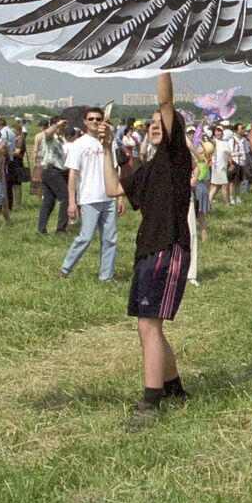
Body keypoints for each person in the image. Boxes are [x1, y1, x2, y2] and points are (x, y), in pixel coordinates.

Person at [97, 73, 191, 425]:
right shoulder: (148, 168)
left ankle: (150, 405)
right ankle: (174, 390)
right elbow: (111, 189)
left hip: (168, 246)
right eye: (149, 123)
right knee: (151, 326)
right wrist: (106, 148)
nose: (154, 126)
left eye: (159, 122)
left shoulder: (176, 157)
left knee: (147, 326)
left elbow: (166, 102)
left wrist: (162, 63)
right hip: (148, 250)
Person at [61, 106, 118, 281]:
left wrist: (119, 197)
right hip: (89, 198)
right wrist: (72, 201)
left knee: (110, 239)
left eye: (98, 119)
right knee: (85, 237)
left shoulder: (108, 143)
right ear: (85, 122)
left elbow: (115, 170)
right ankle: (65, 269)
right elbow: (73, 174)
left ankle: (106, 276)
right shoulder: (79, 144)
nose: (95, 122)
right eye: (91, 119)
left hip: (109, 198)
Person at [35, 116, 70, 235]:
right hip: (52, 171)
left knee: (49, 202)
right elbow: (47, 133)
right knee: (66, 199)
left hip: (58, 171)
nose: (62, 127)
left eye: (64, 126)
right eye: (60, 125)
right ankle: (61, 230)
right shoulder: (50, 137)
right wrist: (57, 124)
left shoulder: (61, 139)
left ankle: (41, 229)